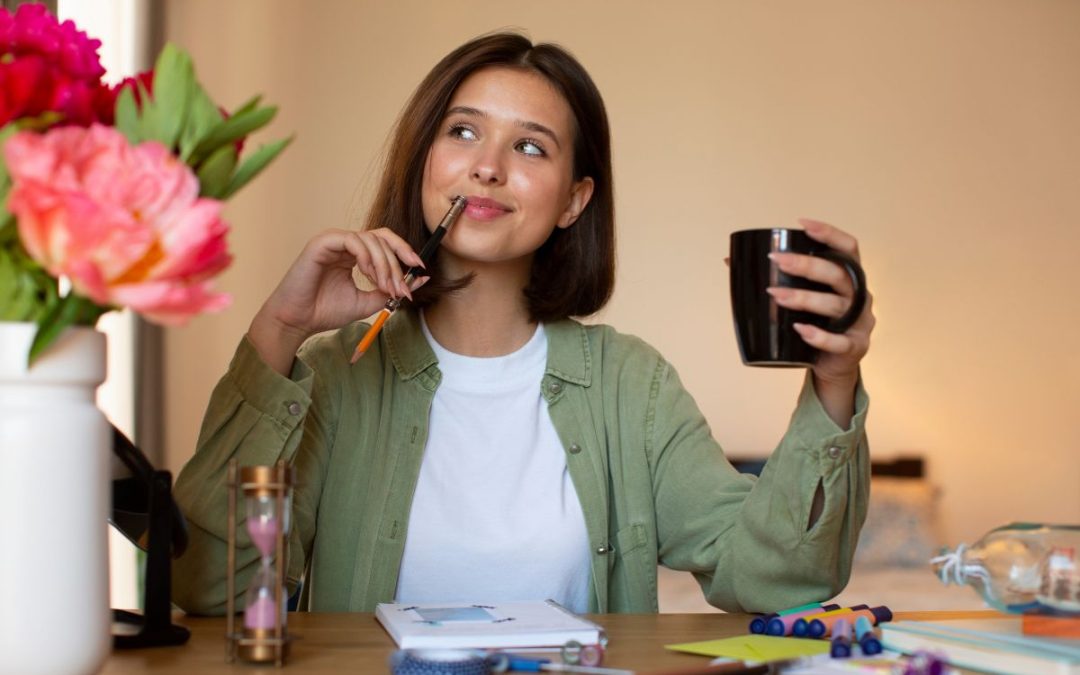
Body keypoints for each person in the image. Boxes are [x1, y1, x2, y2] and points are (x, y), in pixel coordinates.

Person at [172, 31, 874, 616]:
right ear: (425, 162)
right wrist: (282, 327)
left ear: (574, 200)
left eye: (530, 147)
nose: (486, 168)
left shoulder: (634, 385)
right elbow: (210, 592)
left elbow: (771, 578)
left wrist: (835, 378)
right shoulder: (333, 374)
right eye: (463, 132)